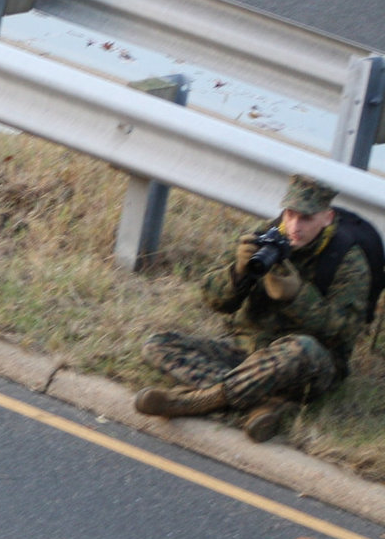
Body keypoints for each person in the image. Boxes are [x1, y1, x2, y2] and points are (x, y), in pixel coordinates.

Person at [133, 174, 377, 442]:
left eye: (306, 219)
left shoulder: (347, 261)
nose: (295, 226)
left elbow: (343, 332)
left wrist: (297, 297)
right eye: (290, 214)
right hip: (248, 350)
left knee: (302, 348)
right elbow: (214, 301)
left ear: (327, 218)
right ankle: (264, 402)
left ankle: (198, 401)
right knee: (158, 344)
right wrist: (237, 273)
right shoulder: (265, 238)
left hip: (308, 364)